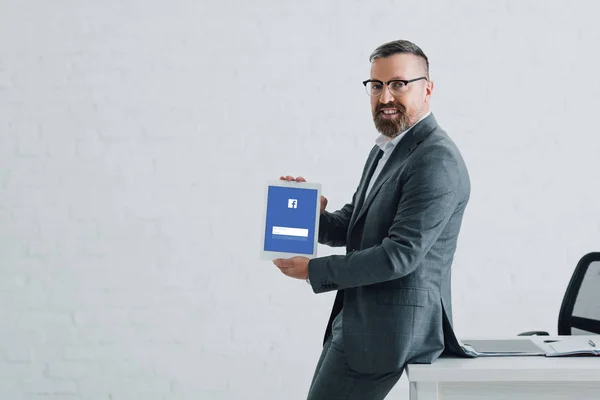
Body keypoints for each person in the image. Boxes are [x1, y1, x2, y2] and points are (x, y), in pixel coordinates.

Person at [273, 39, 471, 400]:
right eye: (376, 85)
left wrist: (312, 271)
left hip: (390, 330)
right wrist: (312, 218)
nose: (385, 97)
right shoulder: (388, 147)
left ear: (427, 89)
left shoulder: (435, 159)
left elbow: (400, 255)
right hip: (358, 319)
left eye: (398, 84)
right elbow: (357, 222)